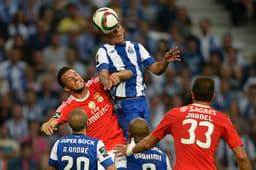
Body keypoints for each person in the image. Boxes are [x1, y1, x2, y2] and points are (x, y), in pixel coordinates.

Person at [114, 76, 252, 170]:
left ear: (192, 94)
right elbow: (242, 157)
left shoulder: (175, 114)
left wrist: (130, 149)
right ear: (213, 97)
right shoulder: (222, 119)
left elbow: (148, 143)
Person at [94, 7, 181, 139]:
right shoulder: (104, 51)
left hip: (142, 100)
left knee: (147, 140)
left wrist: (165, 61)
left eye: (118, 27)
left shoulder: (136, 47)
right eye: (113, 31)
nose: (117, 31)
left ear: (123, 28)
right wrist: (106, 81)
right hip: (124, 104)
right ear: (106, 35)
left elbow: (156, 70)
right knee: (133, 141)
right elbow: (103, 73)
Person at [41, 66, 133, 152]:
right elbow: (52, 121)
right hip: (98, 154)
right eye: (70, 79)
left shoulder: (97, 84)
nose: (76, 78)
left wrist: (117, 75)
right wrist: (47, 125)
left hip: (120, 147)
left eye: (75, 74)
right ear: (66, 88)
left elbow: (129, 73)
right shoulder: (68, 106)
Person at [48, 108, 115, 170]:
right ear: (87, 123)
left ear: (69, 124)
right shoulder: (97, 144)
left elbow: (50, 168)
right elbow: (111, 168)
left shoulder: (59, 143)